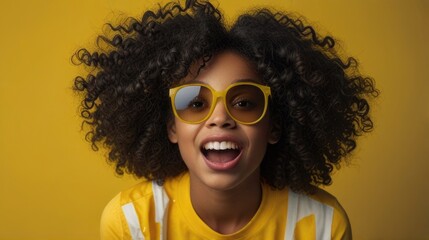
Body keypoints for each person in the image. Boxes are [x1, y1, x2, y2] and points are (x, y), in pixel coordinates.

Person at [73, 0, 378, 239]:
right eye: (195, 102)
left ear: (275, 124)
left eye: (244, 102)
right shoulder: (131, 222)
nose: (220, 118)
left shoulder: (321, 225)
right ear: (171, 127)